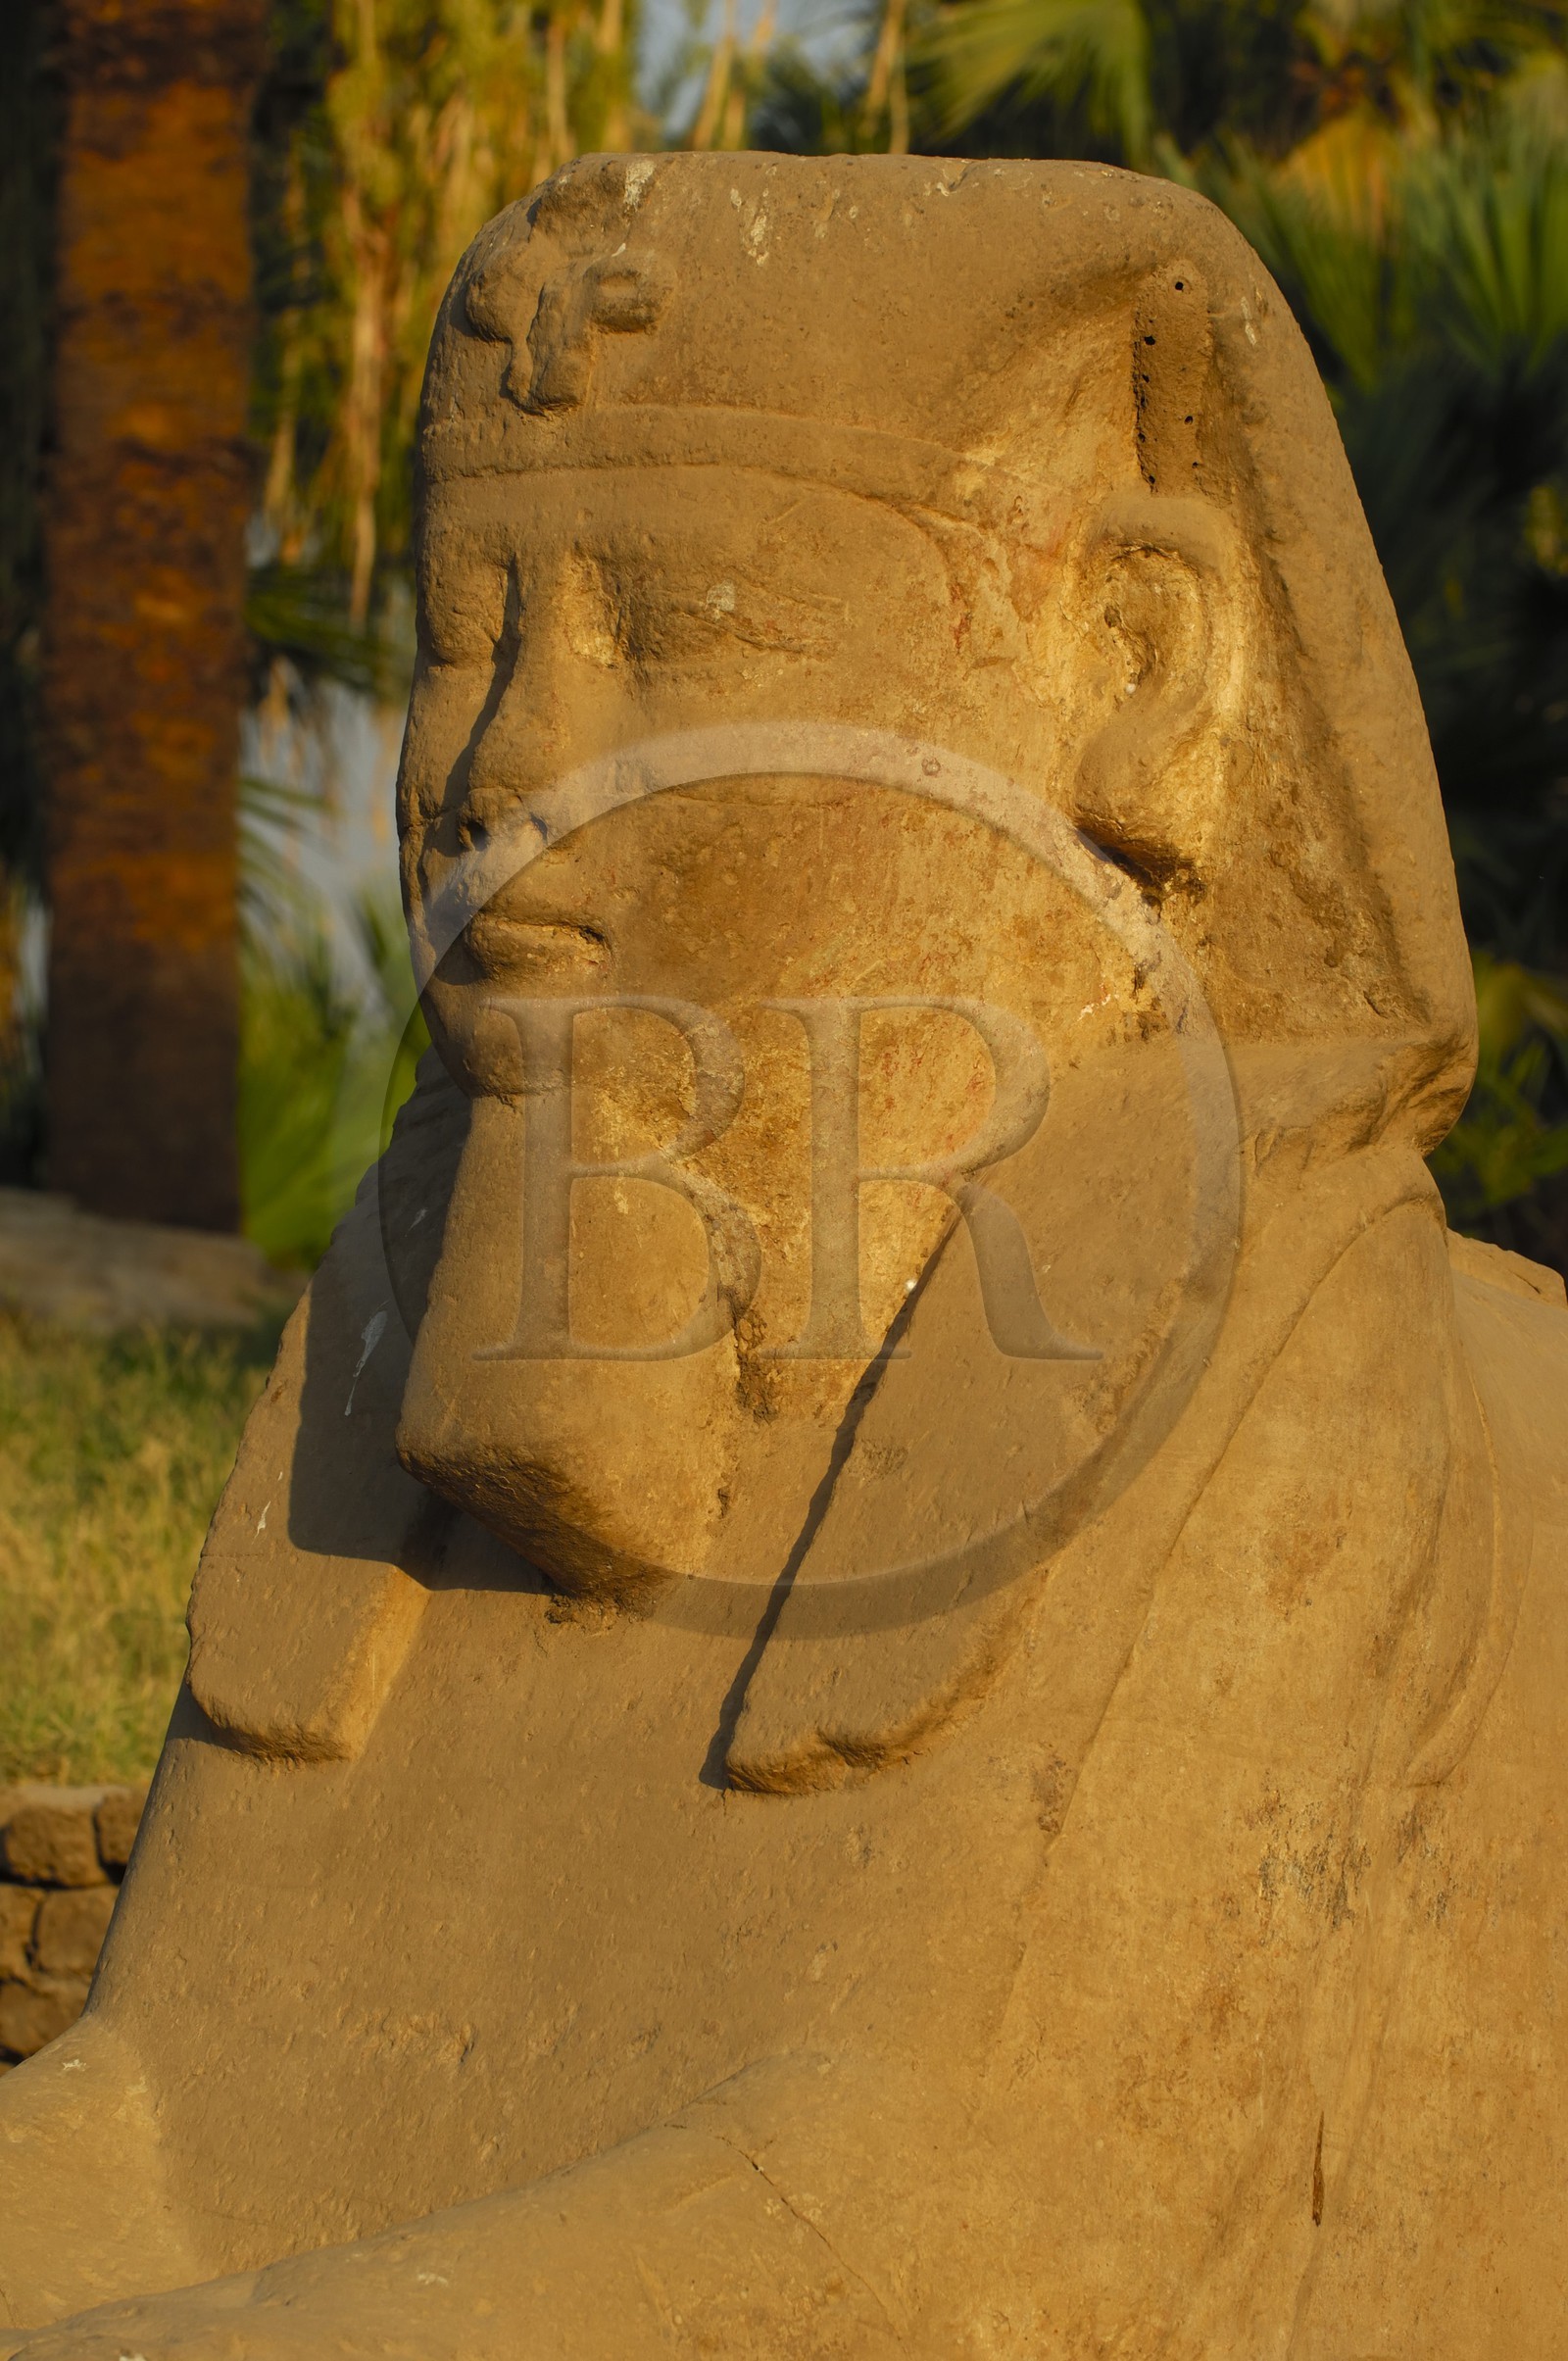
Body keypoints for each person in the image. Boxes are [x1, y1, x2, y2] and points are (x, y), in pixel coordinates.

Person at [2, 153, 1564, 2361]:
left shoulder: (1260, 1338)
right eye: (463, 634)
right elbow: (159, 2102)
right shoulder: (422, 1260)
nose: (494, 764)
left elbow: (984, 2239)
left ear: (1127, 663)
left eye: (681, 632)